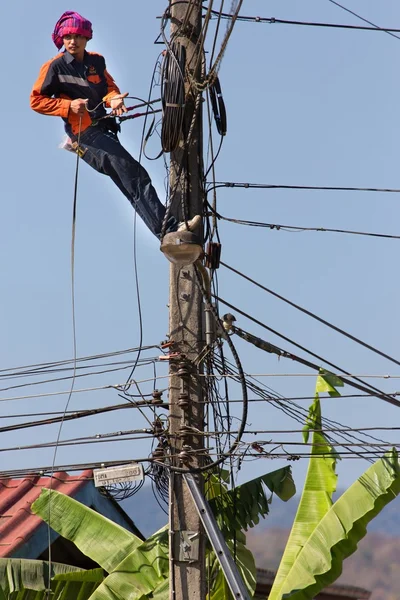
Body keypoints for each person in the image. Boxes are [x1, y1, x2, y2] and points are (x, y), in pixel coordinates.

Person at [30, 11, 200, 239]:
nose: (72, 41)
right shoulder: (55, 66)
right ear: (62, 39)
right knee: (136, 175)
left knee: (131, 183)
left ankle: (167, 234)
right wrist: (68, 106)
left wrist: (115, 99)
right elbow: (36, 101)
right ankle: (170, 229)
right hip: (85, 134)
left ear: (87, 38)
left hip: (103, 129)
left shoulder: (96, 62)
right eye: (68, 37)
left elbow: (109, 88)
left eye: (77, 36)